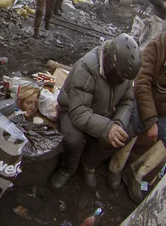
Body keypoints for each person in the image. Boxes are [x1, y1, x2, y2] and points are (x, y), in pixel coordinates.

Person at [49, 33, 141, 190]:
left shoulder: (124, 73)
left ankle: (89, 163)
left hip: (100, 112)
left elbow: (127, 101)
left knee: (125, 133)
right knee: (73, 139)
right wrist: (107, 128)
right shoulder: (88, 68)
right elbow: (78, 112)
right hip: (73, 109)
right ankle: (67, 169)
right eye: (120, 76)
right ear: (111, 64)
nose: (122, 80)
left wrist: (117, 124)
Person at [117, 33, 166, 202]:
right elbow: (142, 82)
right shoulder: (158, 46)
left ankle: (137, 172)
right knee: (136, 121)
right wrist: (151, 119)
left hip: (163, 110)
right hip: (143, 100)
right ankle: (115, 167)